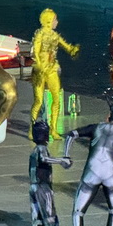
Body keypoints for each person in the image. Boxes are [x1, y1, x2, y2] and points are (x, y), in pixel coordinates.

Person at [29, 8, 80, 138]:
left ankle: (53, 129)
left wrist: (73, 50)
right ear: (49, 20)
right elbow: (35, 50)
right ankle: (32, 129)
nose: (56, 22)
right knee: (39, 101)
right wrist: (39, 65)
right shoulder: (40, 34)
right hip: (40, 70)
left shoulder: (55, 35)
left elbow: (67, 47)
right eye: (55, 19)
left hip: (52, 69)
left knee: (56, 99)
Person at [28, 118, 72, 226]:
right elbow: (44, 159)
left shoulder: (35, 150)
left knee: (39, 217)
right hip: (42, 187)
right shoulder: (41, 149)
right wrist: (61, 160)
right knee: (50, 215)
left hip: (34, 187)